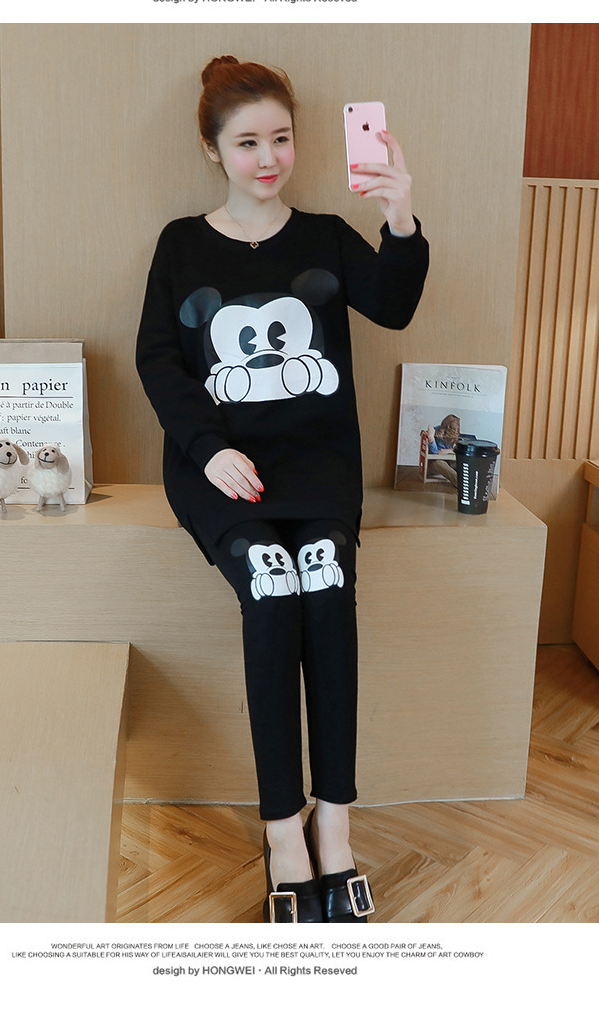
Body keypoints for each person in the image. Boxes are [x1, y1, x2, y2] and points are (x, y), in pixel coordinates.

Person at [136, 56, 429, 923]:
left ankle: (334, 821)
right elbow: (159, 360)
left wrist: (399, 215)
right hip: (223, 469)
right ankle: (281, 829)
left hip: (317, 466)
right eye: (247, 143)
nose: (268, 158)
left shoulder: (327, 235)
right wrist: (208, 449)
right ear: (212, 149)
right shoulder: (180, 244)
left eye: (281, 139)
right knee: (272, 591)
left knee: (325, 587)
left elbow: (394, 306)